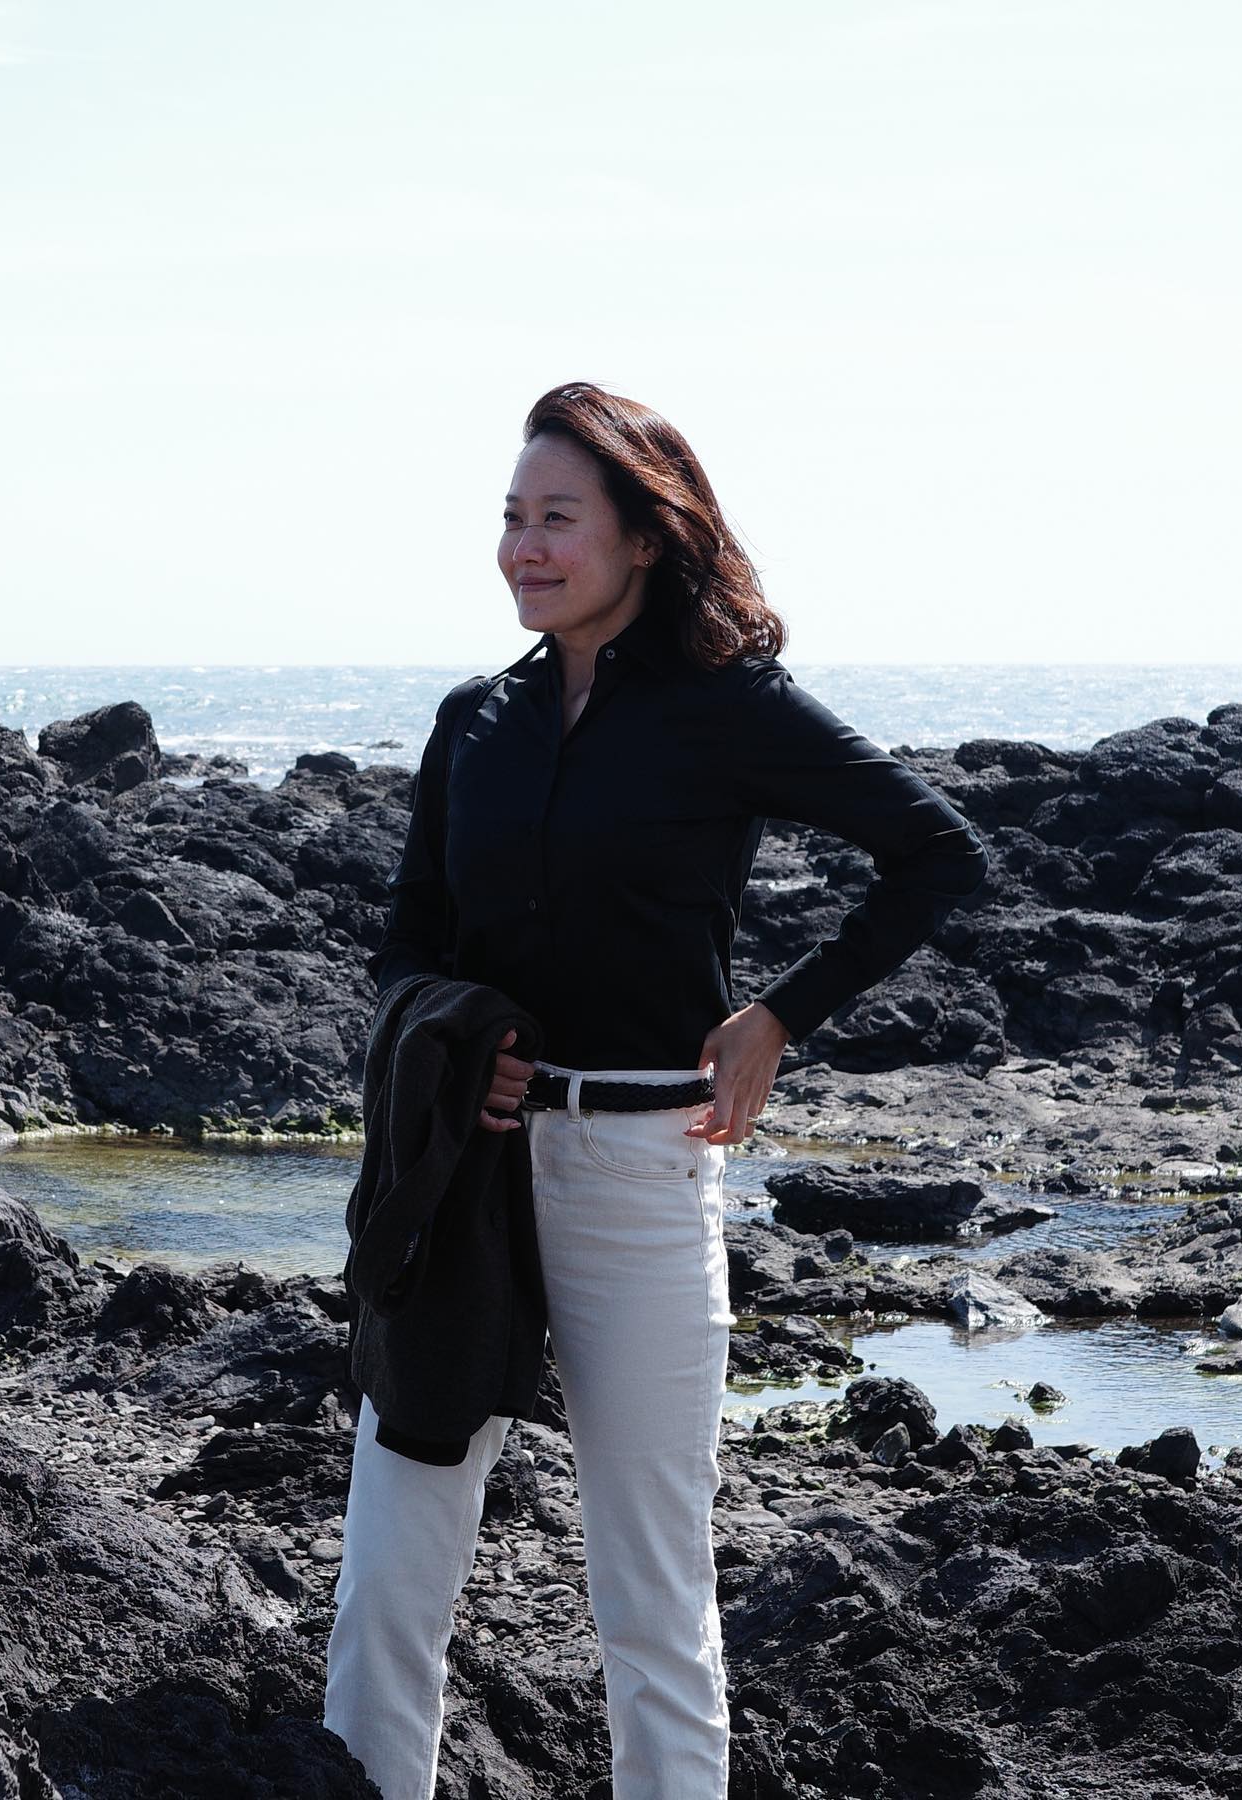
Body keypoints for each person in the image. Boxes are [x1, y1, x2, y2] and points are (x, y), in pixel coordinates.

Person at [323, 380, 990, 1798]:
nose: (525, 547)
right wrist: (452, 1036)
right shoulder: (475, 722)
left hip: (641, 1171)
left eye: (559, 518)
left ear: (644, 535)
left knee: (653, 1593)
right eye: (513, 516)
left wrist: (778, 1018)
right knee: (388, 1572)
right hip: (467, 1179)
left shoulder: (725, 708)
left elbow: (939, 852)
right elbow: (406, 945)